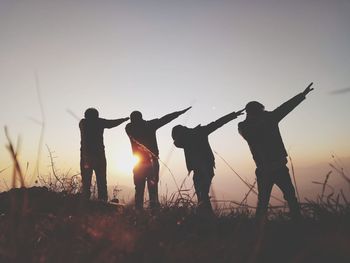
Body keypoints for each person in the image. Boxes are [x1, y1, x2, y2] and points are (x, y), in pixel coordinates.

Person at [238, 83, 314, 220]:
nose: (264, 112)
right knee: (264, 202)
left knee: (290, 197)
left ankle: (297, 221)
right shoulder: (245, 126)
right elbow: (250, 134)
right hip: (265, 170)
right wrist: (266, 118)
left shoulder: (268, 119)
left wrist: (301, 95)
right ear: (253, 113)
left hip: (278, 167)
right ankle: (260, 229)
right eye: (261, 111)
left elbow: (285, 108)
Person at [172, 109, 244, 214]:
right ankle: (206, 216)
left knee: (202, 194)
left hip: (205, 168)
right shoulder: (197, 133)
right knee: (202, 194)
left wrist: (232, 115)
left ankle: (207, 217)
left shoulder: (189, 137)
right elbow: (217, 123)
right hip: (203, 169)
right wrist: (233, 115)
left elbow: (217, 123)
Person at [125, 107, 191, 210]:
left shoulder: (129, 128)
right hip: (152, 163)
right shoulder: (149, 125)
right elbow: (164, 119)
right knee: (153, 190)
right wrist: (179, 113)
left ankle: (139, 212)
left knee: (139, 190)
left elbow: (163, 120)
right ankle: (154, 212)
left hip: (139, 163)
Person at [80, 108, 129, 201]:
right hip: (99, 157)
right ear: (96, 116)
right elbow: (111, 123)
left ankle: (85, 202)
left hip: (86, 157)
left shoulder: (83, 123)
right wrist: (123, 119)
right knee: (101, 181)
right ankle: (102, 202)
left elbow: (110, 123)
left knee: (86, 182)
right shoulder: (98, 122)